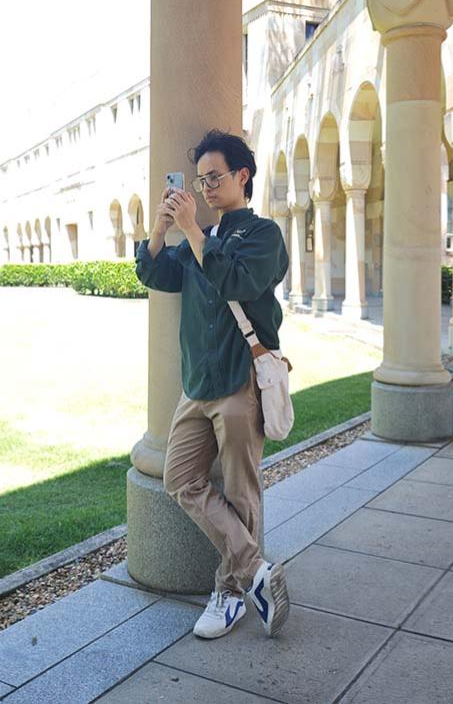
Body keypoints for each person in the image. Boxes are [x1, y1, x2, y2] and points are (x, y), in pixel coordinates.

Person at [136, 129, 291, 639]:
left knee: (242, 490)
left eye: (214, 178)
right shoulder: (199, 240)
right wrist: (161, 230)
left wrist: (193, 232)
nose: (204, 188)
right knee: (179, 478)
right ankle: (256, 569)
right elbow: (153, 274)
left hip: (239, 381)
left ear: (242, 176)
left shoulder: (263, 235)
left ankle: (229, 594)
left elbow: (236, 282)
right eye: (200, 180)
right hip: (196, 384)